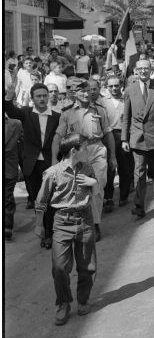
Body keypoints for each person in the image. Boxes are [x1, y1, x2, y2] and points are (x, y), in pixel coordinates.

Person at [34, 133, 99, 326]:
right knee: (60, 267)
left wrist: (93, 183)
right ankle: (63, 303)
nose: (87, 151)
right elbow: (41, 200)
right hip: (62, 221)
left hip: (85, 220)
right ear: (73, 151)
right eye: (85, 148)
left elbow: (96, 193)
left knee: (87, 266)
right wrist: (39, 225)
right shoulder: (52, 173)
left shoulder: (87, 168)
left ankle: (83, 300)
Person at [52, 80, 116, 242]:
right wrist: (54, 158)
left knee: (97, 186)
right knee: (79, 187)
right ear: (74, 93)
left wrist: (113, 156)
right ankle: (81, 222)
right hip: (77, 153)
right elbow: (58, 137)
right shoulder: (67, 113)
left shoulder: (100, 110)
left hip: (97, 151)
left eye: (88, 90)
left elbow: (108, 134)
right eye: (81, 91)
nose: (86, 94)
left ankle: (95, 223)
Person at [4, 82, 61, 247]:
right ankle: (43, 230)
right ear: (33, 98)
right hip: (32, 164)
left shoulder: (56, 116)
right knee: (38, 200)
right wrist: (8, 95)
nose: (42, 99)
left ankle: (49, 234)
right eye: (39, 96)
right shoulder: (26, 113)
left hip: (50, 163)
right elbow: (10, 109)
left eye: (45, 95)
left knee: (49, 198)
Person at [122, 59, 154, 218]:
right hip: (138, 137)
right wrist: (124, 139)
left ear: (151, 69)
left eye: (146, 68)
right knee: (139, 173)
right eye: (140, 69)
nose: (143, 71)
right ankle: (139, 205)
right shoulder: (130, 89)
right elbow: (126, 116)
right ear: (135, 70)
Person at [99, 75, 134, 211]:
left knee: (125, 168)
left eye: (116, 85)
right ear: (107, 87)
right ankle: (108, 198)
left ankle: (123, 196)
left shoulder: (126, 99)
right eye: (111, 86)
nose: (114, 88)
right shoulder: (102, 101)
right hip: (108, 136)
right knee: (109, 169)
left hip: (124, 135)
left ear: (121, 86)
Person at [4, 114, 23, 240]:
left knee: (7, 196)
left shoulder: (16, 124)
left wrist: (23, 165)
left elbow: (23, 145)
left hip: (9, 167)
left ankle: (7, 226)